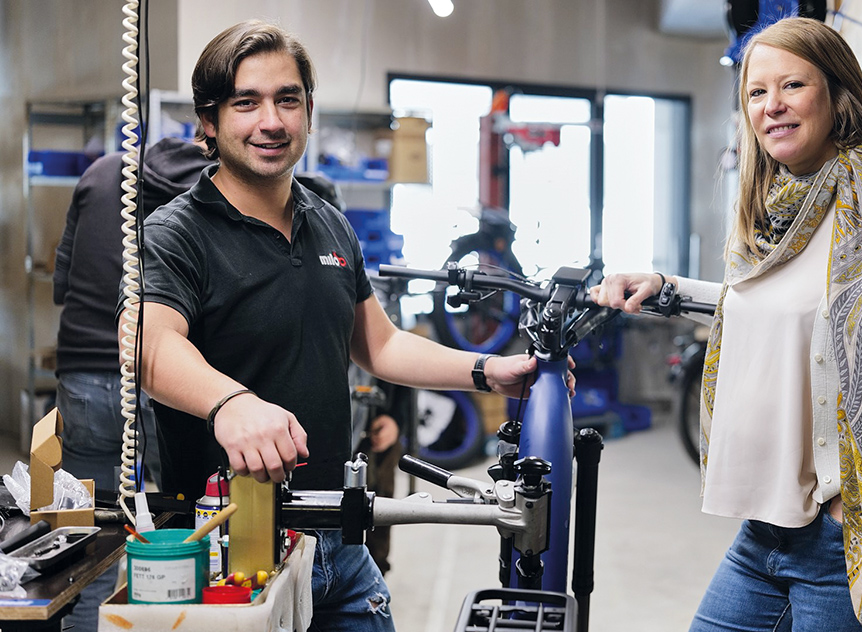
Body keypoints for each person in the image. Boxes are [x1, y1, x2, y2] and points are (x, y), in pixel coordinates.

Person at [589, 17, 862, 632]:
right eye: (756, 93)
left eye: (791, 85)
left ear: (838, 94)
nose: (772, 107)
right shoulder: (780, 209)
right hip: (770, 525)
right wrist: (669, 289)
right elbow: (790, 316)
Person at [132, 20, 547, 629]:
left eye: (287, 99)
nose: (271, 120)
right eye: (246, 102)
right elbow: (149, 344)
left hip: (339, 538)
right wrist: (230, 404)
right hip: (228, 546)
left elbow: (378, 343)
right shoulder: (176, 234)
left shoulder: (328, 223)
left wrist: (488, 372)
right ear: (210, 123)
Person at [53, 136, 210, 632]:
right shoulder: (206, 190)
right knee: (188, 525)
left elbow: (61, 283)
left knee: (87, 539)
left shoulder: (99, 172)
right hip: (157, 375)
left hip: (81, 374)